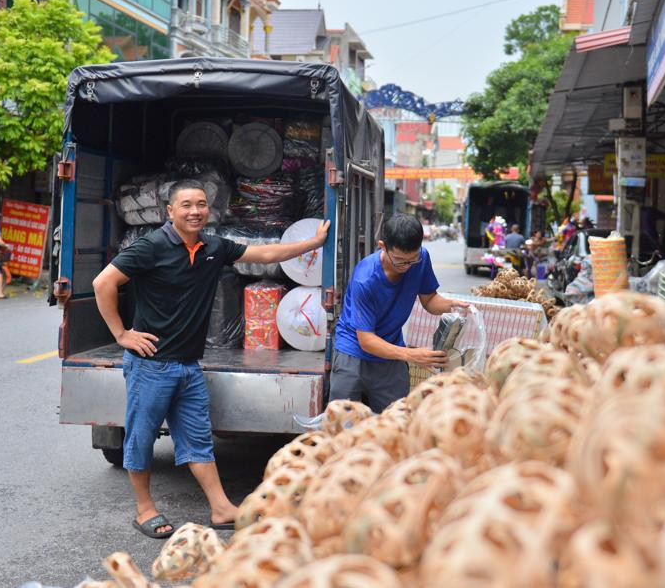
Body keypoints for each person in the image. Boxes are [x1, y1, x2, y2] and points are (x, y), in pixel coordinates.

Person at [92, 179, 330, 539]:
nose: (195, 211)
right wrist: (121, 335)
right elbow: (103, 283)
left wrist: (312, 243)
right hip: (152, 366)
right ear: (170, 212)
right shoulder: (152, 246)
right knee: (141, 437)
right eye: (186, 205)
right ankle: (144, 509)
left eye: (201, 204)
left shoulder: (213, 247)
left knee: (197, 437)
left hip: (188, 365)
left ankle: (221, 508)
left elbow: (263, 255)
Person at [330, 213, 469, 413]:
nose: (406, 267)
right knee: (343, 424)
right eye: (400, 261)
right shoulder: (365, 279)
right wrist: (412, 355)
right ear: (382, 246)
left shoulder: (421, 259)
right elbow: (366, 340)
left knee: (397, 419)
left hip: (391, 352)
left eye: (412, 260)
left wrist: (453, 305)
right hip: (353, 354)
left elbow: (429, 300)